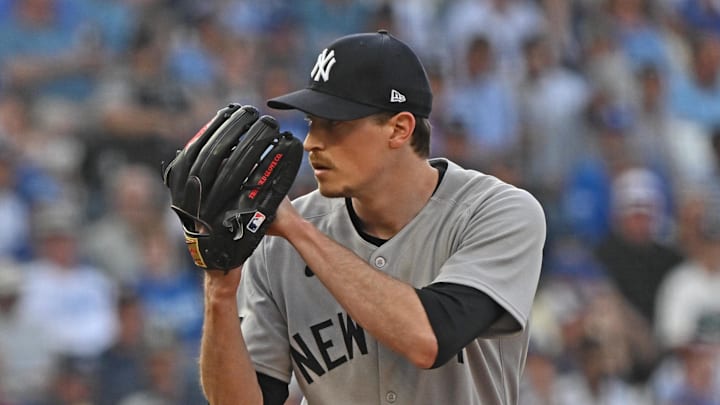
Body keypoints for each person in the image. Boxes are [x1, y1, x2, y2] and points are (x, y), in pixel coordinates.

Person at [194, 30, 546, 404]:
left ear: (399, 129)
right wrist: (220, 288)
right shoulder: (276, 245)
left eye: (335, 124)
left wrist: (299, 232)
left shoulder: (497, 212)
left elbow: (429, 337)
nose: (311, 142)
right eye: (312, 121)